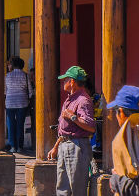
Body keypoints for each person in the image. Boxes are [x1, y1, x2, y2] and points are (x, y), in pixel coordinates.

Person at [48, 66, 96, 196]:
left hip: (77, 147)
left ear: (72, 82)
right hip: (65, 145)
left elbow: (91, 126)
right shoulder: (70, 99)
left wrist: (72, 117)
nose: (63, 82)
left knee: (77, 188)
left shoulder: (83, 101)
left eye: (66, 80)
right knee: (62, 188)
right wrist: (56, 146)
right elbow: (64, 128)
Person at [5, 56, 31, 154]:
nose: (8, 66)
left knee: (11, 125)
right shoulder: (25, 75)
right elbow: (30, 91)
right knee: (20, 125)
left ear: (12, 64)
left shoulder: (7, 76)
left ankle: (12, 146)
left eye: (9, 64)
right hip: (22, 103)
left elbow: (5, 91)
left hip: (10, 103)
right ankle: (20, 146)